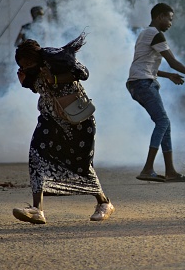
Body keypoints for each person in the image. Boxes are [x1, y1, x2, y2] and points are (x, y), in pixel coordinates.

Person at [13, 33, 114, 224]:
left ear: (36, 57)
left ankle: (104, 203)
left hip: (78, 122)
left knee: (81, 164)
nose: (24, 67)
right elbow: (39, 89)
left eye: (27, 63)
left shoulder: (56, 59)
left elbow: (83, 73)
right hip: (50, 121)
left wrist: (55, 79)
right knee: (36, 155)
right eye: (22, 64)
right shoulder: (31, 72)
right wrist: (25, 81)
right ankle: (37, 209)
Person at [127, 3, 185, 183]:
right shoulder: (156, 34)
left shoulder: (144, 33)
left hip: (138, 83)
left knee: (165, 124)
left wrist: (168, 75)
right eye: (169, 18)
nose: (170, 23)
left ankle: (170, 171)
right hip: (143, 84)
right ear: (159, 16)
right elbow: (173, 62)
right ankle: (148, 168)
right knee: (163, 121)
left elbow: (144, 65)